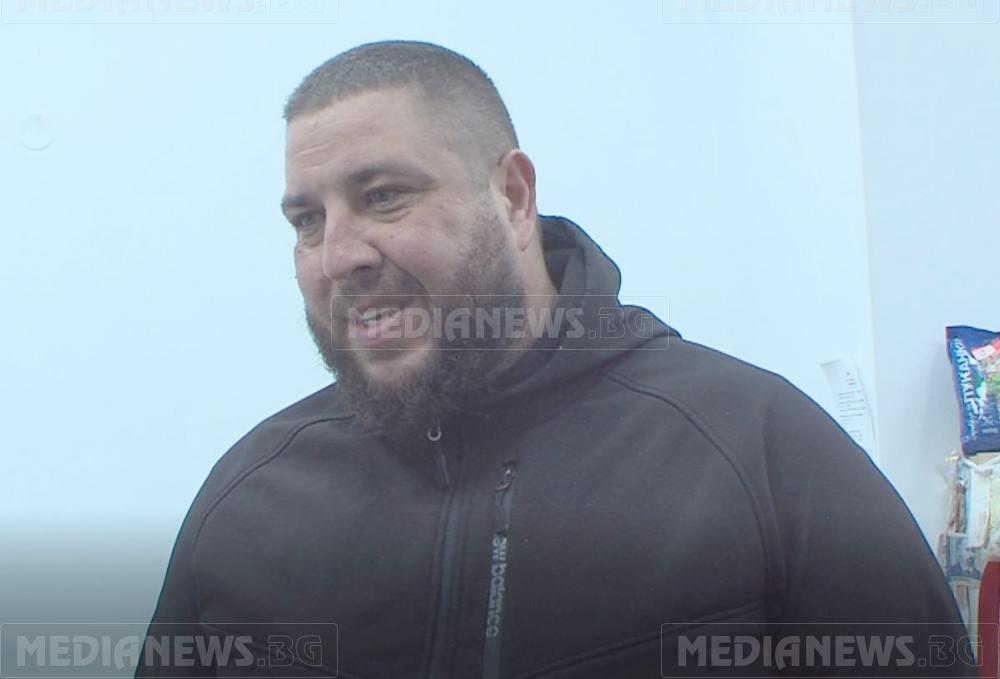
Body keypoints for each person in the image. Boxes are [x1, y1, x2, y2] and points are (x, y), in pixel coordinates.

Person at [139, 40, 975, 679]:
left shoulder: (756, 446)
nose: (338, 256)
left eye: (384, 196)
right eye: (307, 221)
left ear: (512, 196)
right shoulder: (247, 500)